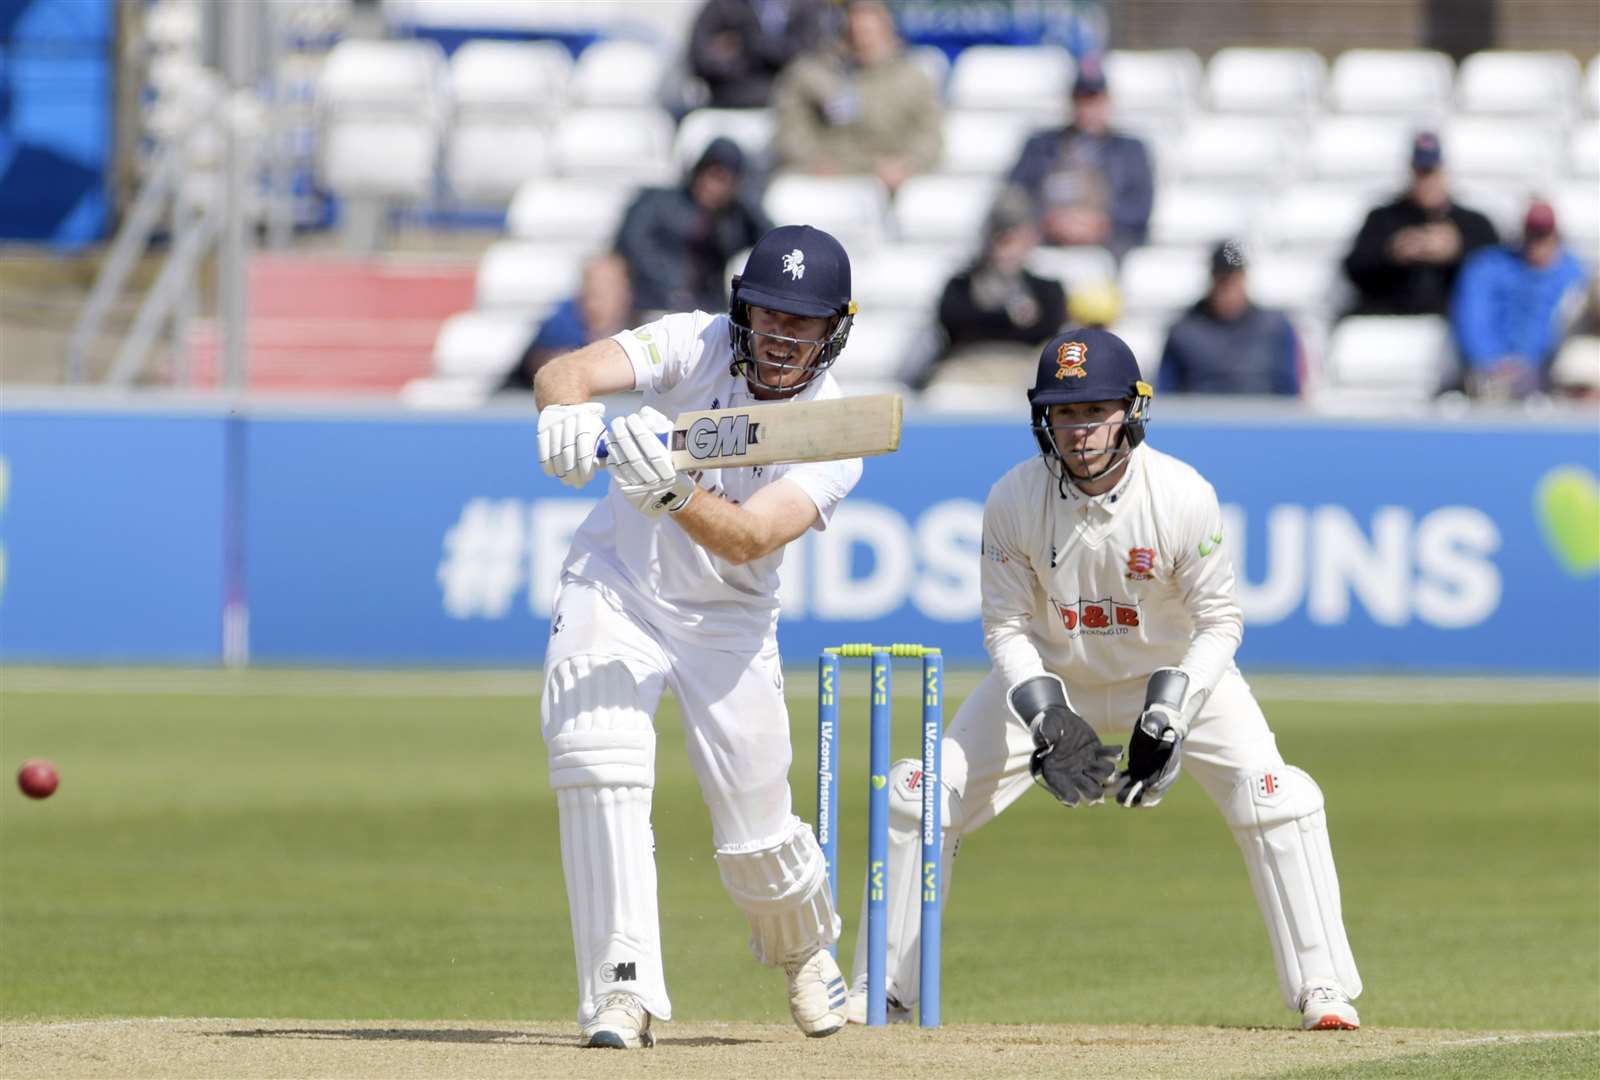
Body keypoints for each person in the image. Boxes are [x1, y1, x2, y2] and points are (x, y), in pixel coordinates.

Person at [845, 327, 1363, 1033]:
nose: (1080, 431)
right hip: (1056, 673)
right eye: (1064, 413)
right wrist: (1044, 716)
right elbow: (1005, 626)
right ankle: (885, 990)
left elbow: (1220, 622)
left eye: (1096, 412)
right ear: (1042, 419)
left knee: (1280, 799)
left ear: (1132, 412)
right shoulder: (1012, 498)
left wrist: (1172, 714)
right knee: (918, 792)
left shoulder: (1182, 495)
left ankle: (1324, 989)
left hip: (1173, 672)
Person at [533, 224, 864, 1049]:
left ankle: (803, 952)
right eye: (769, 316)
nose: (783, 338)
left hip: (730, 621)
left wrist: (673, 496)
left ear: (835, 332)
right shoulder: (694, 340)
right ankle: (622, 990)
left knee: (755, 837)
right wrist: (566, 417)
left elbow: (753, 538)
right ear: (740, 310)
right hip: (618, 585)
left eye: (805, 324)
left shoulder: (839, 431)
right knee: (596, 754)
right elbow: (564, 371)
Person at [770, 0, 942, 195]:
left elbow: (930, 135)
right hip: (828, 178)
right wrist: (812, 161)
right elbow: (790, 128)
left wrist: (907, 164)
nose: (862, 37)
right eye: (854, 29)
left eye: (869, 30)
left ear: (887, 29)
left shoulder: (914, 76)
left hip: (890, 180)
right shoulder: (811, 73)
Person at [919, 186, 1067, 388]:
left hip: (1024, 368)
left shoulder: (1046, 289)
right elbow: (956, 323)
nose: (1005, 246)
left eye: (1013, 237)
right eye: (999, 237)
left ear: (1030, 238)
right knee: (944, 392)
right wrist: (1008, 315)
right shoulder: (960, 285)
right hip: (968, 367)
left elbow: (1047, 329)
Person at [1006, 57, 1154, 259]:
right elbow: (1016, 195)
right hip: (1045, 247)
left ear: (1107, 100)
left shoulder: (1130, 150)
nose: (1087, 108)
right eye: (1081, 98)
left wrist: (1099, 223)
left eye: (1093, 98)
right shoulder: (1040, 145)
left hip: (1111, 251)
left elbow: (1139, 205)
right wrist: (1050, 220)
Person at [1341, 131, 1499, 317]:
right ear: (1411, 172)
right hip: (1392, 322)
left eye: (1432, 172)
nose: (1427, 181)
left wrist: (1457, 249)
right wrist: (1392, 254)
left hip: (1453, 326)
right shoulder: (1382, 219)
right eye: (1421, 173)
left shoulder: (1473, 223)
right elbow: (1354, 270)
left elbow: (1500, 269)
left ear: (1443, 171)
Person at [615, 137, 773, 317]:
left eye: (724, 180)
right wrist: (670, 285)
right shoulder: (656, 202)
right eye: (711, 175)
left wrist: (744, 200)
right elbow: (632, 242)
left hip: (709, 309)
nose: (712, 187)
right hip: (653, 303)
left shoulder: (736, 218)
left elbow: (772, 242)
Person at [1450, 199, 1590, 401]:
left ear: (1556, 236)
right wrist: (1491, 360)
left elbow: (1565, 328)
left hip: (1546, 376)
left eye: (1543, 235)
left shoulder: (1572, 273)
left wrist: (1531, 366)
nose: (1537, 243)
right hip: (1490, 374)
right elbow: (1472, 318)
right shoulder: (1488, 266)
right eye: (1532, 234)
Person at [1157, 240, 1301, 396]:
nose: (1228, 290)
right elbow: (1166, 395)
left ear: (1244, 278)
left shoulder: (1276, 329)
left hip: (1263, 418)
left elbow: (1291, 394)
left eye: (1234, 280)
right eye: (1223, 280)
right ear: (1212, 279)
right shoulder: (1184, 331)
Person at [498, 252, 635, 393]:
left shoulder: (642, 330)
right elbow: (544, 372)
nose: (595, 299)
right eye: (590, 287)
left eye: (606, 287)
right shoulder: (558, 325)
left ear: (625, 291)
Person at [689, 0, 827, 109]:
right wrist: (743, 61)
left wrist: (760, 47)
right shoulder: (722, 6)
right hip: (729, 101)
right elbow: (699, 59)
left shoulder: (804, 6)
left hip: (786, 103)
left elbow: (808, 56)